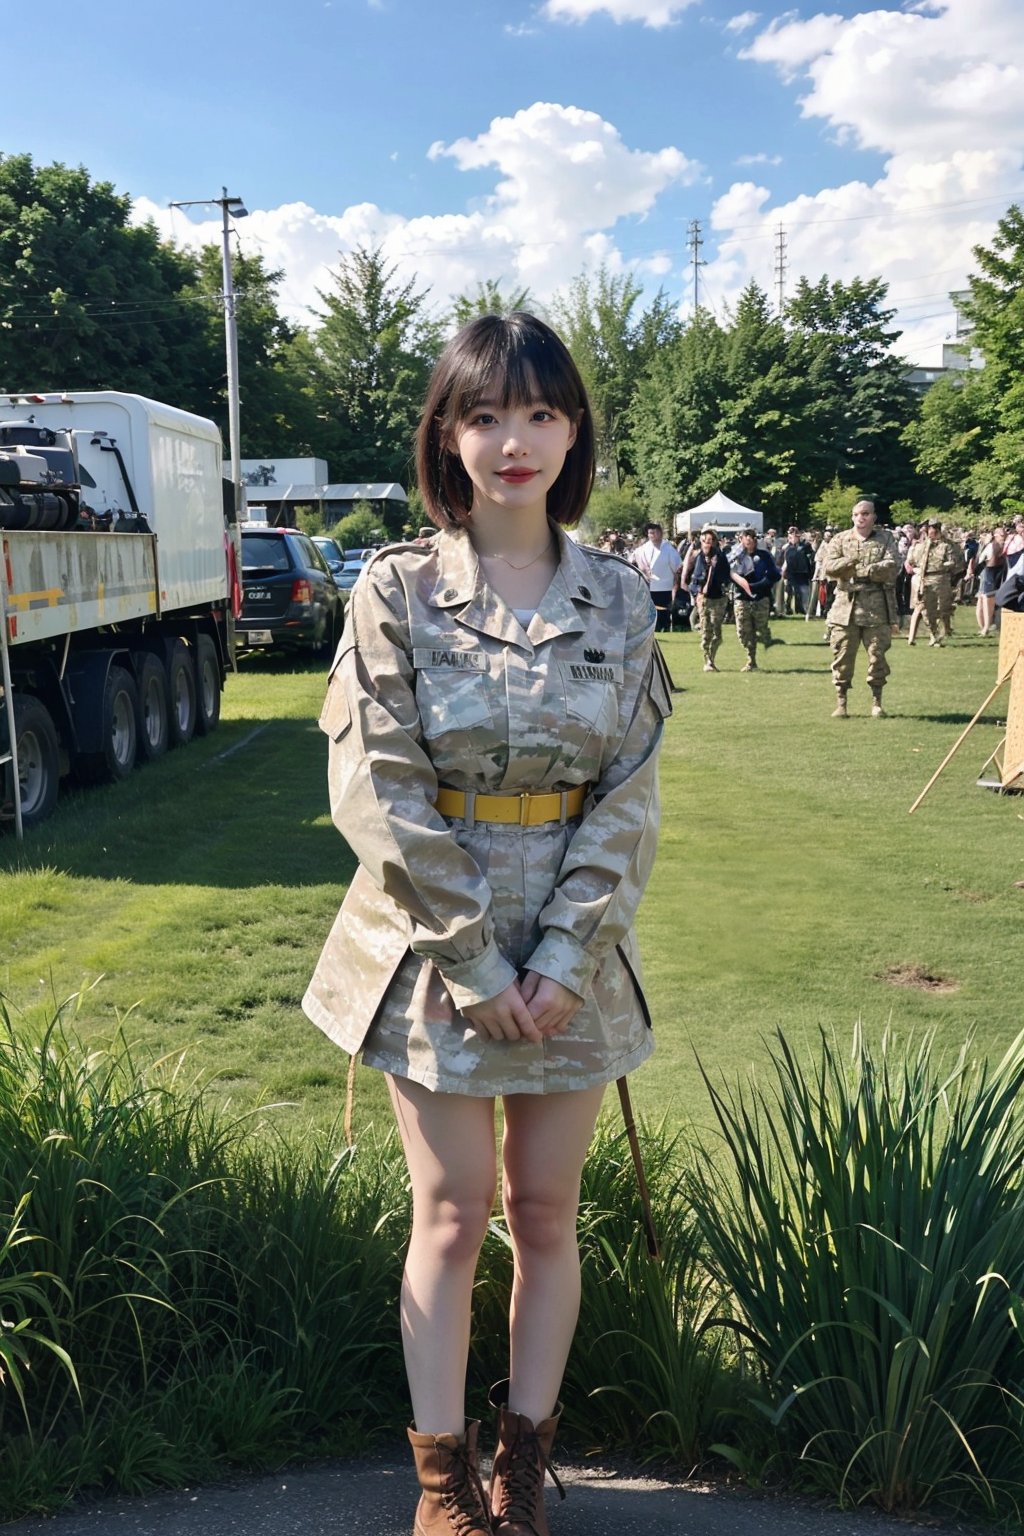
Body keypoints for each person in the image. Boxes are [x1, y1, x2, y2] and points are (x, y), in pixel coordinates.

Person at [303, 313, 670, 1536]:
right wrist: (471, 960)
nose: (514, 441)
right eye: (485, 414)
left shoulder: (619, 596)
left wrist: (561, 957)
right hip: (427, 950)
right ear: (445, 435)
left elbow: (627, 794)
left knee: (547, 1215)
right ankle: (441, 1482)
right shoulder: (397, 588)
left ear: (574, 432)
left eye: (541, 413)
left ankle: (523, 1466)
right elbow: (379, 788)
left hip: (574, 958)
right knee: (454, 1213)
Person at [823, 499, 900, 718]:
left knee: (877, 657)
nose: (861, 518)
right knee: (842, 657)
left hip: (876, 609)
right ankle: (841, 703)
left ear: (874, 517)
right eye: (857, 514)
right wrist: (851, 562)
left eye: (866, 513)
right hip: (845, 609)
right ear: (852, 517)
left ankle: (877, 702)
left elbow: (891, 566)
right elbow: (829, 567)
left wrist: (861, 572)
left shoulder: (885, 539)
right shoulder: (840, 539)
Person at [688, 523, 750, 671]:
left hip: (718, 599)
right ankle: (708, 661)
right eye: (704, 539)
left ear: (714, 541)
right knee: (706, 631)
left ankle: (711, 658)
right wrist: (697, 594)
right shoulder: (699, 558)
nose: (706, 542)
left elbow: (726, 576)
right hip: (704, 599)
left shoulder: (720, 557)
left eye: (710, 539)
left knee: (717, 633)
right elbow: (694, 580)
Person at [729, 526, 780, 670]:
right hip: (742, 598)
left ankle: (752, 660)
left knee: (759, 629)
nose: (749, 539)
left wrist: (759, 585)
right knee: (743, 631)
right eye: (746, 536)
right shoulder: (736, 557)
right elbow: (730, 575)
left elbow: (774, 575)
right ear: (741, 539)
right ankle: (750, 658)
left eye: (752, 537)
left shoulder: (764, 556)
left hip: (760, 598)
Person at [905, 518, 957, 647]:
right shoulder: (920, 546)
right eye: (929, 529)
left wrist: (941, 565)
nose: (931, 532)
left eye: (934, 529)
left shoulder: (945, 546)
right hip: (923, 580)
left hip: (940, 580)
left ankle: (937, 635)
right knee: (925, 610)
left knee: (940, 609)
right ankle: (933, 635)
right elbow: (910, 561)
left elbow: (952, 562)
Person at [631, 521, 682, 633]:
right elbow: (632, 560)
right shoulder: (642, 549)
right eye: (650, 533)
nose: (652, 535)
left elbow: (677, 566)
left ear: (660, 533)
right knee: (650, 611)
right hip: (648, 584)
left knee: (664, 611)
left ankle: (665, 627)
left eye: (655, 532)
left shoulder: (668, 549)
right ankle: (652, 629)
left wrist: (675, 581)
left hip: (665, 586)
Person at [975, 525, 1006, 636]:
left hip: (999, 573)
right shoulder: (991, 546)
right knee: (986, 600)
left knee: (990, 601)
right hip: (989, 573)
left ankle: (989, 626)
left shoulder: (1005, 546)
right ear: (995, 536)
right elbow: (981, 560)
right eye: (1002, 535)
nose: (1004, 537)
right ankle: (985, 627)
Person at [778, 526, 814, 616]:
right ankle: (787, 608)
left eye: (795, 535)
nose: (793, 537)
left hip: (802, 573)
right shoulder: (785, 547)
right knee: (788, 591)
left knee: (802, 592)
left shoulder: (805, 546)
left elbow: (812, 557)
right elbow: (780, 561)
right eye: (790, 535)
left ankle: (801, 608)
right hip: (789, 573)